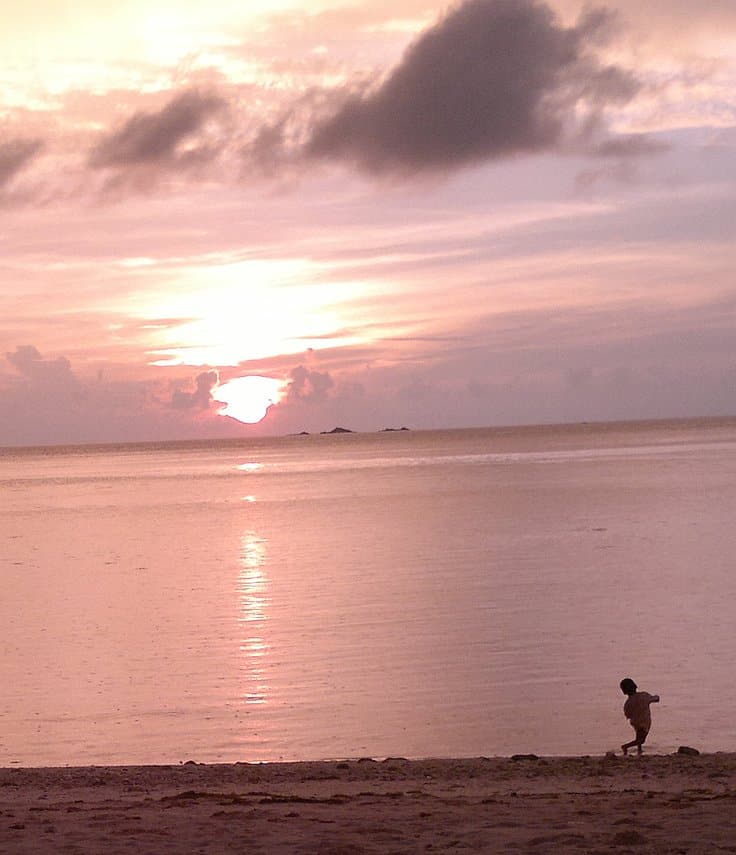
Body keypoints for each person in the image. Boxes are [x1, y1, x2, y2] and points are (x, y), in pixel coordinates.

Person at [620, 677, 659, 755]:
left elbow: (627, 714)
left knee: (639, 737)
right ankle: (625, 747)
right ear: (635, 686)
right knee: (641, 740)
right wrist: (657, 697)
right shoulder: (643, 695)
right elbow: (655, 699)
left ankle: (639, 750)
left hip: (635, 721)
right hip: (644, 721)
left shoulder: (628, 702)